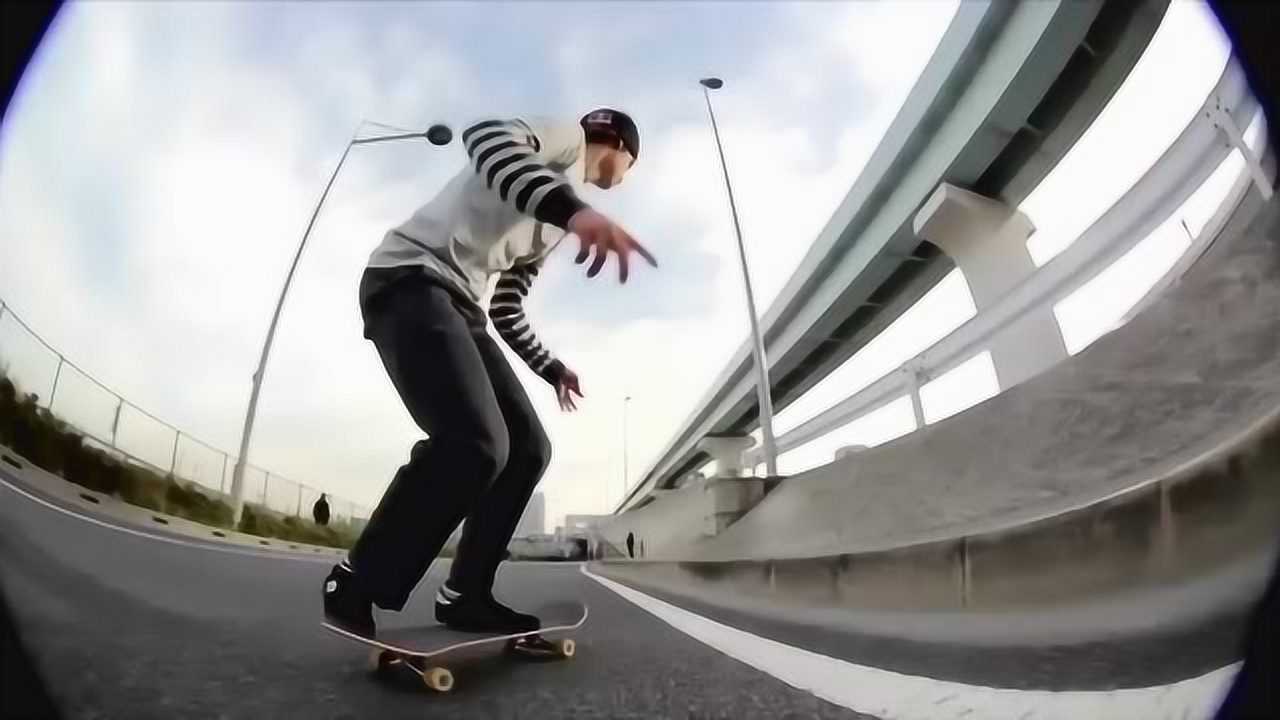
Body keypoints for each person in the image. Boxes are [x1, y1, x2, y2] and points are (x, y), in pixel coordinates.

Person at [323, 108, 655, 639]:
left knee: (527, 449)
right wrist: (574, 212)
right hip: (409, 277)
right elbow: (485, 137)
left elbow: (506, 308)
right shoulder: (562, 142)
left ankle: (466, 594)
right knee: (475, 445)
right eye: (632, 163)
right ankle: (358, 579)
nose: (628, 175)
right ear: (615, 143)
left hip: (461, 304)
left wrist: (552, 367)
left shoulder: (555, 220)